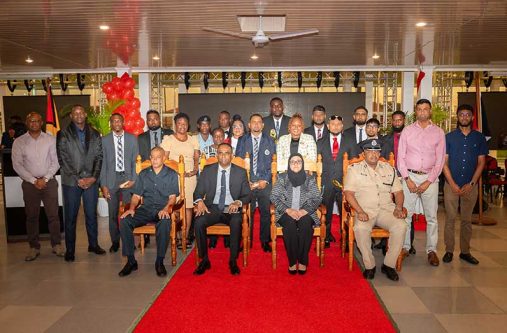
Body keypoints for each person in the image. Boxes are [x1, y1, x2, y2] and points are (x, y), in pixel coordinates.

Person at [344, 139, 407, 281]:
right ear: (363, 153)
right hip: (365, 210)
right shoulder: (354, 170)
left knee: (401, 225)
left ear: (379, 153)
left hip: (386, 210)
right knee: (360, 229)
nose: (373, 154)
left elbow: (398, 192)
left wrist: (398, 207)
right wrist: (359, 211)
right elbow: (349, 194)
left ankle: (389, 265)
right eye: (369, 151)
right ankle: (369, 266)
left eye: (376, 151)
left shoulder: (389, 169)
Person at [398, 99, 445, 266]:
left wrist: (429, 181)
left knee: (432, 217)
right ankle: (404, 247)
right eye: (419, 109)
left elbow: (440, 161)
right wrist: (407, 179)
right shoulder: (407, 131)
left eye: (426, 109)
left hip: (429, 178)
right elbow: (400, 158)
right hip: (409, 177)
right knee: (406, 215)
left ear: (430, 111)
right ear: (416, 112)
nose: (423, 112)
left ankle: (432, 250)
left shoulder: (438, 132)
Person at [118, 147, 179, 277]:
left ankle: (159, 261)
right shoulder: (144, 174)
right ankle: (131, 261)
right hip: (146, 209)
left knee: (165, 222)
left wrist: (166, 208)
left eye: (158, 157)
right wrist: (131, 208)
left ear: (164, 158)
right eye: (152, 157)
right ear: (150, 158)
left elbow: (173, 197)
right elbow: (136, 196)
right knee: (124, 220)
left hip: (162, 209)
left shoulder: (171, 174)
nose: (155, 159)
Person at [11, 112, 64, 261]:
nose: (34, 123)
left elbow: (56, 161)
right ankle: (33, 247)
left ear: (41, 123)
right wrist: (34, 180)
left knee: (53, 215)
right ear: (27, 123)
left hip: (49, 183)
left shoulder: (50, 139)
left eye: (36, 121)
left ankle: (57, 244)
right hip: (29, 184)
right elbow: (17, 165)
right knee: (32, 216)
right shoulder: (19, 142)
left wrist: (45, 178)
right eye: (31, 121)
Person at [193, 143, 251, 276]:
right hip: (212, 207)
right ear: (217, 155)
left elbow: (247, 194)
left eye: (227, 153)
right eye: (221, 153)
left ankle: (233, 260)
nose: (223, 156)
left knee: (236, 221)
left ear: (232, 155)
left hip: (231, 207)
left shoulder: (240, 172)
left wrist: (237, 202)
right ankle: (204, 260)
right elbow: (197, 192)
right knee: (199, 221)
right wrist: (200, 201)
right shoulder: (208, 170)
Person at [56, 104, 105, 262]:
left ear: (85, 115)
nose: (78, 115)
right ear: (71, 116)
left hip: (91, 181)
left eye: (81, 112)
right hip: (72, 182)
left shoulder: (95, 134)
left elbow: (99, 157)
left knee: (91, 215)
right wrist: (78, 179)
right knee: (71, 216)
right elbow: (63, 159)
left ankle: (93, 244)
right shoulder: (63, 134)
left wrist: (93, 177)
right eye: (75, 113)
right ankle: (70, 250)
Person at [442, 104, 488, 265]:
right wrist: (452, 184)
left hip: (471, 186)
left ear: (472, 117)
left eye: (467, 115)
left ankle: (465, 252)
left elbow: (481, 162)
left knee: (467, 220)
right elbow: (444, 163)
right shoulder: (449, 137)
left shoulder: (479, 138)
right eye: (461, 114)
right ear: (457, 116)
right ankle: (449, 251)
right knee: (450, 219)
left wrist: (472, 183)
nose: (464, 117)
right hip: (451, 185)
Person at [270, 153, 322, 274]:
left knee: (305, 225)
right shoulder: (282, 178)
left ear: (302, 164)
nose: (296, 164)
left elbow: (317, 198)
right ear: (289, 164)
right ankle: (292, 261)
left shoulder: (310, 179)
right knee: (289, 224)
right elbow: (273, 196)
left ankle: (303, 261)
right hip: (286, 212)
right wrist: (288, 210)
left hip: (306, 212)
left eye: (298, 161)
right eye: (293, 161)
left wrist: (304, 211)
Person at [236, 114, 276, 253]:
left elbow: (273, 163)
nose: (257, 124)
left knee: (265, 212)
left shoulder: (270, 141)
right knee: (247, 212)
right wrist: (246, 181)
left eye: (259, 122)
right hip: (247, 183)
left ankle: (265, 241)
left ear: (263, 125)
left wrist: (264, 181)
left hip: (264, 182)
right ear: (249, 124)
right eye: (254, 122)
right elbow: (238, 162)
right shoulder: (242, 140)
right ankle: (247, 240)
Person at [317, 115, 359, 247]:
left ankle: (346, 239)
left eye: (338, 124)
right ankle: (326, 237)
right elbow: (316, 164)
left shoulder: (350, 141)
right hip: (326, 182)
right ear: (328, 126)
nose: (335, 126)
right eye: (333, 124)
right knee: (326, 211)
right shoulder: (320, 142)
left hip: (345, 183)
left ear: (342, 126)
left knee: (345, 212)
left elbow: (354, 163)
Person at [99, 113, 139, 253]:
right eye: (113, 121)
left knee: (129, 211)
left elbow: (136, 161)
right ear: (111, 123)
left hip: (128, 178)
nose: (116, 123)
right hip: (111, 180)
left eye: (119, 121)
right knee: (112, 213)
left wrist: (134, 179)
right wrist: (103, 185)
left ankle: (129, 242)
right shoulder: (104, 140)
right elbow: (102, 164)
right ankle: (115, 242)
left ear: (123, 122)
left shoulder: (132, 139)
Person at [160, 112, 200, 248]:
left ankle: (185, 236)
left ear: (188, 125)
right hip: (173, 176)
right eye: (179, 123)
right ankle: (176, 236)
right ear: (175, 125)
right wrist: (179, 171)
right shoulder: (168, 139)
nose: (182, 126)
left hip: (190, 178)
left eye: (184, 124)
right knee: (176, 207)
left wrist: (195, 169)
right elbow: (164, 160)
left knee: (188, 207)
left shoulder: (193, 139)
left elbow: (196, 157)